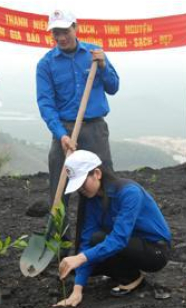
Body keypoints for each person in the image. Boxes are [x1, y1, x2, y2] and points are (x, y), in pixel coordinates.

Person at [54, 150, 172, 307]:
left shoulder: (129, 193)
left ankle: (131, 277)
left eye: (82, 183)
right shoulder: (92, 200)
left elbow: (119, 239)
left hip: (154, 252)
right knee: (89, 254)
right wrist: (77, 290)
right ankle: (128, 273)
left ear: (97, 173)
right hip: (127, 246)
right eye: (77, 186)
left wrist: (81, 258)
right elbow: (86, 241)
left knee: (96, 244)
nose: (80, 189)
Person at [36, 9, 119, 209]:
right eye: (56, 32)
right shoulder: (45, 65)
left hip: (94, 129)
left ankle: (106, 231)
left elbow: (113, 87)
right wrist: (61, 135)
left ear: (75, 27)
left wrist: (103, 67)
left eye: (65, 30)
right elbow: (46, 104)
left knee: (103, 180)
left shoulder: (95, 54)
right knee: (59, 185)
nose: (61, 37)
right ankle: (58, 236)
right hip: (64, 131)